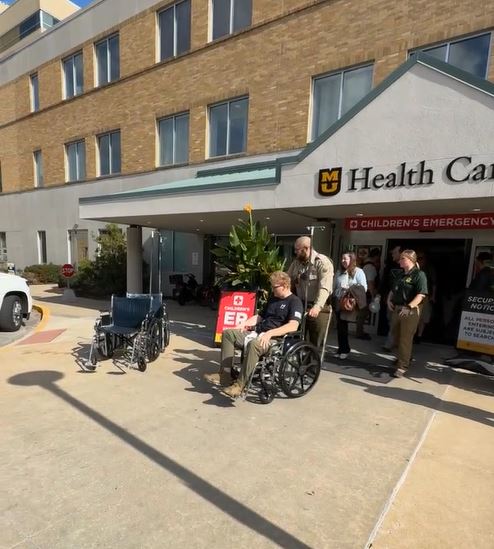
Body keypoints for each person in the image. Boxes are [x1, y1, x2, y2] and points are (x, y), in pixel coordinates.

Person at [205, 271, 303, 398]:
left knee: (254, 345)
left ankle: (239, 386)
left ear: (284, 285)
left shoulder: (295, 302)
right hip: (258, 332)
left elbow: (293, 325)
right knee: (228, 334)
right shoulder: (273, 299)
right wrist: (243, 324)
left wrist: (270, 333)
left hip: (275, 339)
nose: (272, 290)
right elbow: (260, 317)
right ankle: (225, 375)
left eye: (274, 287)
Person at [287, 236, 334, 348]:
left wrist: (317, 307)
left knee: (315, 344)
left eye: (297, 250)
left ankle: (313, 365)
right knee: (297, 341)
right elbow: (288, 280)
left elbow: (325, 287)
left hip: (318, 307)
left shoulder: (321, 262)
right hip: (301, 305)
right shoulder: (296, 263)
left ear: (307, 248)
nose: (295, 252)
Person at [387, 250, 428, 377]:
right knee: (396, 335)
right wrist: (388, 299)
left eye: (402, 259)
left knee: (405, 338)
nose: (399, 261)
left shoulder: (419, 275)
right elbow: (394, 289)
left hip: (409, 310)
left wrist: (409, 306)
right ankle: (403, 357)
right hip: (397, 308)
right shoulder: (400, 274)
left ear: (410, 260)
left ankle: (402, 366)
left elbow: (421, 295)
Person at [333, 251, 367, 359]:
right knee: (340, 326)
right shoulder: (339, 272)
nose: (343, 261)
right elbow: (334, 287)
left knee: (343, 326)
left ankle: (345, 349)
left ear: (351, 259)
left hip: (348, 303)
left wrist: (349, 288)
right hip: (338, 302)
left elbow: (364, 288)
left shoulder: (358, 272)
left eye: (345, 259)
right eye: (342, 259)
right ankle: (341, 348)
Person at [356, 247, 381, 340]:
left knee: (361, 314)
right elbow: (370, 283)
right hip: (366, 294)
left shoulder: (365, 265)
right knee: (363, 314)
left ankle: (360, 331)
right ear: (376, 257)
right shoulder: (370, 267)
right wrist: (373, 296)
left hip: (362, 293)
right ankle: (359, 332)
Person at [380, 245, 402, 351]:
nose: (392, 254)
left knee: (398, 324)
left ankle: (392, 344)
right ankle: (392, 343)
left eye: (395, 252)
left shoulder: (410, 270)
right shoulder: (390, 266)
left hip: (402, 302)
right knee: (391, 321)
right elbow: (386, 282)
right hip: (390, 298)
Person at [414, 251, 437, 343]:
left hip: (425, 296)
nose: (419, 260)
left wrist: (433, 296)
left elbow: (434, 283)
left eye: (421, 258)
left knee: (424, 317)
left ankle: (419, 336)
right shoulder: (414, 268)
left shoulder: (429, 269)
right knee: (414, 316)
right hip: (414, 296)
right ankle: (413, 335)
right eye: (417, 258)